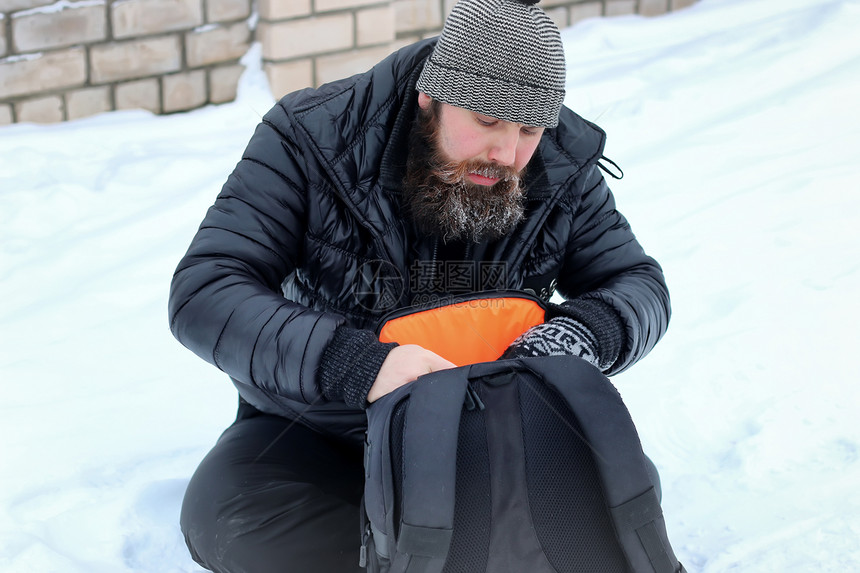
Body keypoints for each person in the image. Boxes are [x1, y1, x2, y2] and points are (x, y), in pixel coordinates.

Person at [168, 0, 670, 571]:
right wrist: (354, 363)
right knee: (232, 518)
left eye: (529, 128)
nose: (506, 155)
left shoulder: (559, 162)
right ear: (430, 96)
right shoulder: (309, 136)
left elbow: (635, 282)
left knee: (626, 500)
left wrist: (578, 338)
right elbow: (206, 290)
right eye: (486, 120)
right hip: (328, 430)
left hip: (496, 430)